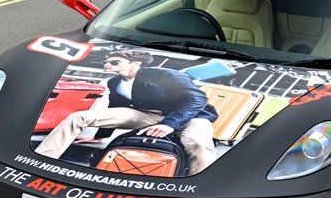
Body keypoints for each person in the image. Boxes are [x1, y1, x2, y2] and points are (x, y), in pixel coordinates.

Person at [35, 50, 218, 175]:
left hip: (192, 115)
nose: (108, 64)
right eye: (106, 62)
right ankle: (43, 160)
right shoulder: (114, 83)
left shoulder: (165, 74)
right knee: (78, 117)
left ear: (135, 63)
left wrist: (170, 124)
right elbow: (115, 107)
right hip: (148, 114)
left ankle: (199, 188)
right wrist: (100, 136)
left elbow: (197, 100)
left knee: (197, 144)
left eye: (114, 62)